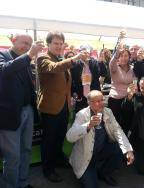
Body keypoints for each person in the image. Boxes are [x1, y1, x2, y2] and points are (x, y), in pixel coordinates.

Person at [37, 31, 84, 182]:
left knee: (59, 137)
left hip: (64, 106)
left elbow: (66, 84)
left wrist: (69, 100)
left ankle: (58, 159)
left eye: (60, 43)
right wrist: (74, 58)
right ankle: (48, 169)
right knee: (49, 140)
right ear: (48, 44)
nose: (58, 46)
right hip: (50, 107)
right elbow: (54, 68)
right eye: (55, 43)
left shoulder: (61, 59)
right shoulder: (43, 58)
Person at [0, 34, 44, 188]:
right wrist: (30, 54)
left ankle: (23, 182)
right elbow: (4, 70)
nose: (27, 47)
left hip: (28, 110)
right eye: (24, 43)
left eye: (29, 44)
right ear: (13, 41)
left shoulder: (25, 60)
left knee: (26, 150)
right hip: (10, 113)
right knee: (12, 156)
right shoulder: (3, 55)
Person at [66, 90, 134, 188]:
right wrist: (88, 126)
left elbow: (118, 130)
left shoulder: (108, 111)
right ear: (89, 103)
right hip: (85, 157)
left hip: (100, 150)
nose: (101, 103)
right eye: (97, 101)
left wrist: (128, 150)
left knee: (118, 149)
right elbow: (70, 137)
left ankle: (104, 173)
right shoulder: (82, 115)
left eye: (102, 100)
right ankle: (89, 172)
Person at [108, 41, 135, 134]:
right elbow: (111, 63)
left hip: (128, 99)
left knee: (126, 123)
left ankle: (124, 145)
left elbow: (135, 81)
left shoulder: (132, 69)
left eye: (126, 55)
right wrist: (116, 53)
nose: (123, 58)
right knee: (114, 124)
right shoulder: (115, 68)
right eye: (121, 55)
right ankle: (114, 145)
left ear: (129, 57)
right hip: (115, 100)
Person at [70, 44, 107, 113]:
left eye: (88, 52)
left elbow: (103, 73)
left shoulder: (95, 63)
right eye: (84, 52)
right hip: (80, 97)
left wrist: (101, 62)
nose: (86, 54)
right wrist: (73, 93)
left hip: (94, 96)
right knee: (80, 116)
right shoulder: (76, 64)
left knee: (95, 115)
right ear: (80, 53)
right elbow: (72, 80)